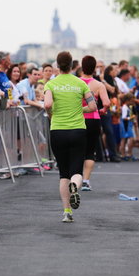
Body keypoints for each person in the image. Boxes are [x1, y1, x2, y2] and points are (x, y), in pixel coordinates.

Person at [44, 51, 96, 223]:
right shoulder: (80, 83)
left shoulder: (51, 84)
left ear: (57, 66)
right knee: (76, 171)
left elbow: (47, 104)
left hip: (58, 131)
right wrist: (80, 110)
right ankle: (76, 186)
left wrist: (50, 112)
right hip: (77, 131)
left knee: (63, 173)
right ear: (72, 65)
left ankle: (67, 212)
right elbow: (93, 106)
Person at [79, 55, 110, 191]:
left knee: (77, 149)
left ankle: (76, 178)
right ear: (94, 68)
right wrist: (103, 110)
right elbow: (107, 103)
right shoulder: (98, 85)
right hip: (93, 119)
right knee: (90, 151)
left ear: (82, 66)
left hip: (77, 118)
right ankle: (86, 180)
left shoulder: (76, 82)